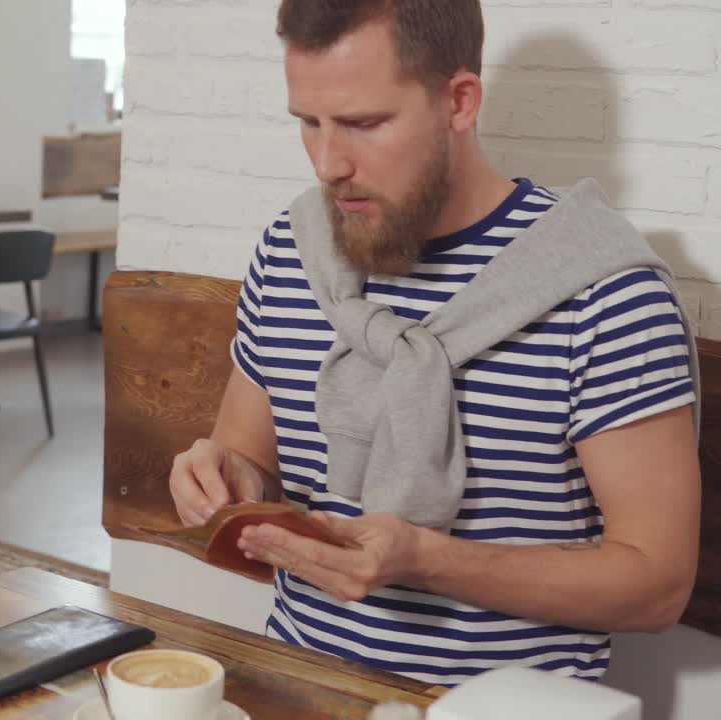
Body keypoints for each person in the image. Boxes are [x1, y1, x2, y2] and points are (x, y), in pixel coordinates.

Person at [169, 0, 701, 686]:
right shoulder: (290, 251)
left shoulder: (604, 292)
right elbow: (251, 463)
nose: (328, 163)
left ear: (458, 102)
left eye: (363, 123)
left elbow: (657, 586)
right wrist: (230, 481)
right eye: (308, 122)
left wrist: (425, 558)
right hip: (297, 686)